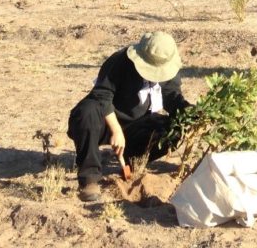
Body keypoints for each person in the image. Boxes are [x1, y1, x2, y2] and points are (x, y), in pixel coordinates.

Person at [67, 31, 191, 202]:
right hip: (103, 121)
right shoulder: (120, 62)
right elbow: (101, 95)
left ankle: (131, 162)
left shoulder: (168, 68)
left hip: (135, 126)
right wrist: (116, 130)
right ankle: (89, 178)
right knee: (87, 111)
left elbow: (171, 97)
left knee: (174, 128)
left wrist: (194, 115)